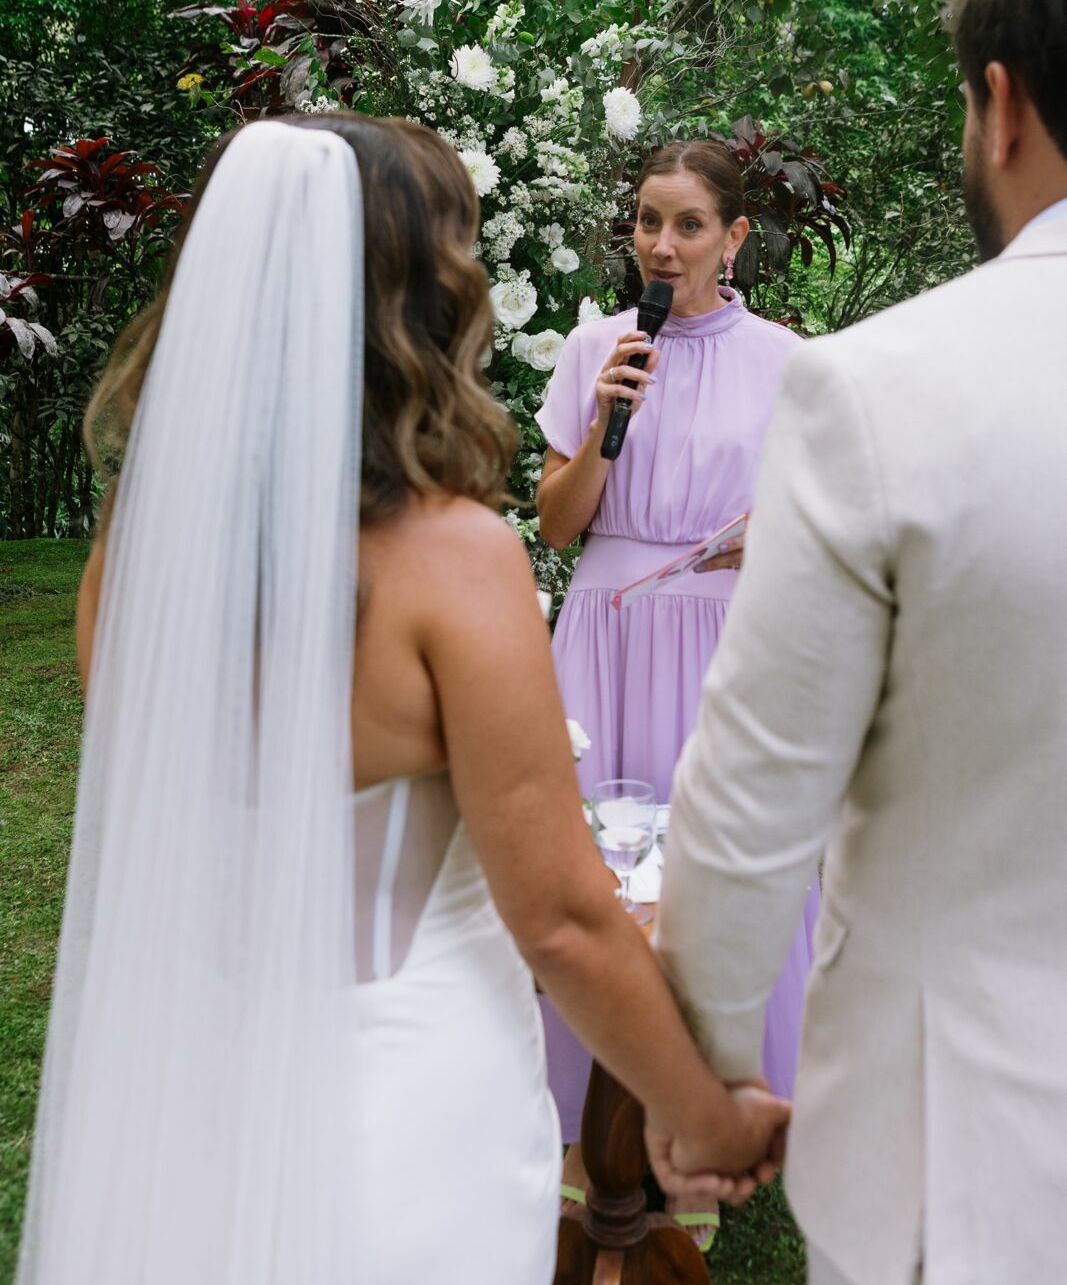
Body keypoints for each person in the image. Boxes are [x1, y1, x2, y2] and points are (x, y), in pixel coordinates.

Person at [15, 114, 789, 1285]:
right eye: (459, 249)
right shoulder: (452, 561)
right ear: (417, 293)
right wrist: (705, 1114)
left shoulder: (137, 542)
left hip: (191, 1081)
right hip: (404, 1112)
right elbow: (562, 921)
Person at [654, 0, 1067, 1285]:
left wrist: (701, 1082)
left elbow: (750, 805)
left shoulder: (877, 390)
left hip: (979, 1174)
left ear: (998, 106)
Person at [534, 139, 819, 1223]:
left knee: (716, 874)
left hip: (723, 644)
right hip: (602, 637)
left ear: (733, 237)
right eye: (648, 221)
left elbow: (819, 525)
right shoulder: (593, 346)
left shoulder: (789, 363)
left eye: (688, 224)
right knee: (589, 880)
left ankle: (709, 1129)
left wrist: (772, 538)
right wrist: (603, 430)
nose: (661, 244)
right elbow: (558, 525)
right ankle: (583, 1137)